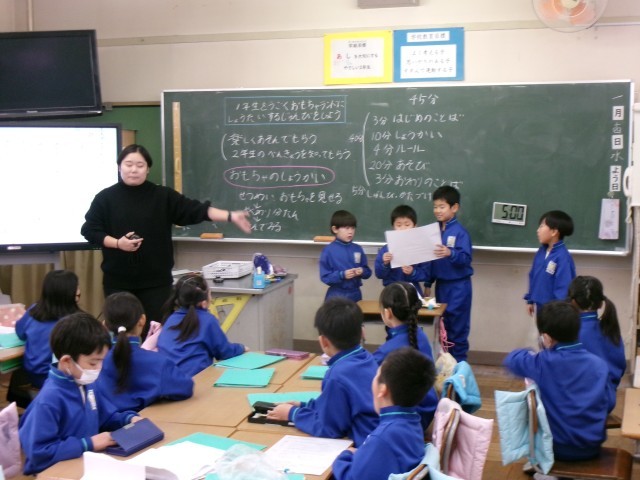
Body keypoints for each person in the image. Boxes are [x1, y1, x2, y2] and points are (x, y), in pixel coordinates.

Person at [81, 144, 252, 336]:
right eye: (128, 164)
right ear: (119, 166)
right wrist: (118, 244)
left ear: (148, 169)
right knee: (122, 338)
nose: (133, 169)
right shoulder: (105, 198)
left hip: (157, 284)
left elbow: (196, 210)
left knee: (156, 335)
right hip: (118, 283)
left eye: (140, 165)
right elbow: (89, 230)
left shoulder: (162, 196)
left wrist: (231, 216)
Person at [18, 312, 140, 475]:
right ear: (67, 361)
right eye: (93, 363)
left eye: (101, 361)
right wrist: (88, 444)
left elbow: (106, 417)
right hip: (56, 473)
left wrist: (129, 419)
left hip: (85, 463)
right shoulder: (48, 400)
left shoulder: (86, 383)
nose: (99, 368)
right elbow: (39, 453)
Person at [504, 301, 610, 461]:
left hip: (555, 448)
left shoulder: (541, 362)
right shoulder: (599, 365)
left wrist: (531, 352)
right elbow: (610, 403)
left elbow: (512, 360)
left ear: (546, 337)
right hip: (592, 447)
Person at [267, 297, 378, 447]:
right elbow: (342, 405)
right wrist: (306, 405)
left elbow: (329, 429)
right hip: (377, 437)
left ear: (323, 341)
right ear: (362, 332)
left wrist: (292, 413)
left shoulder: (337, 375)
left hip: (365, 444)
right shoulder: (368, 358)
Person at [332, 347, 435, 480]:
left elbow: (350, 477)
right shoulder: (412, 421)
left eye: (376, 375)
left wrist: (344, 456)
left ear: (382, 389)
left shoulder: (382, 437)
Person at [95, 292, 194, 412]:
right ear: (142, 320)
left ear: (104, 326)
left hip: (104, 423)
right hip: (144, 421)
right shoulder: (157, 362)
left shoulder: (94, 363)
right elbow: (185, 386)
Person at [373, 281, 438, 430]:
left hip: (409, 419)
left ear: (387, 313)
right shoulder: (420, 335)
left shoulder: (387, 351)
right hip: (426, 410)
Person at [156, 274, 246, 376]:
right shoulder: (207, 320)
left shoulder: (171, 319)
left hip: (166, 379)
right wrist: (241, 348)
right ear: (204, 302)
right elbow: (224, 352)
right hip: (195, 379)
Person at [425, 185, 473, 362]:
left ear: (455, 208)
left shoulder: (460, 232)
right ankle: (447, 366)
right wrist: (428, 283)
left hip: (459, 286)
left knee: (457, 330)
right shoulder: (434, 231)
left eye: (442, 206)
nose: (437, 210)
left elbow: (466, 259)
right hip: (441, 286)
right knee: (443, 328)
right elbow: (431, 260)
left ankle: (459, 369)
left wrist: (450, 253)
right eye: (435, 206)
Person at [15, 269, 82, 389]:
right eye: (76, 287)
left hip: (31, 375)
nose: (79, 291)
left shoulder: (34, 310)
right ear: (68, 293)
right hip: (56, 378)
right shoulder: (75, 320)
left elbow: (20, 333)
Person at [568, 275, 625, 412]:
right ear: (600, 303)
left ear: (573, 302)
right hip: (607, 400)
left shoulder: (569, 333)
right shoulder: (611, 330)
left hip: (579, 404)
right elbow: (621, 366)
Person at [524, 210, 576, 319]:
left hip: (554, 311)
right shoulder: (541, 251)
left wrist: (557, 311)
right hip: (540, 306)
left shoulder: (563, 257)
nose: (538, 230)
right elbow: (533, 275)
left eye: (541, 226)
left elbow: (563, 287)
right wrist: (530, 299)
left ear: (554, 232)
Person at [374, 205, 431, 294]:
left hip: (412, 291)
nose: (403, 228)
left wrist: (413, 272)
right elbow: (379, 274)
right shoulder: (386, 249)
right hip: (392, 292)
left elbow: (427, 274)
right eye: (399, 225)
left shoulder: (420, 249)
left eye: (407, 225)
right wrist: (385, 264)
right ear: (393, 227)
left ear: (415, 226)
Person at [319, 209, 372, 302]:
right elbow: (325, 277)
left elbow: (368, 272)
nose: (350, 232)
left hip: (355, 294)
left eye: (353, 228)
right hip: (336, 295)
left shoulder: (357, 248)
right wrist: (342, 275)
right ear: (335, 229)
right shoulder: (328, 251)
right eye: (347, 228)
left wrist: (362, 271)